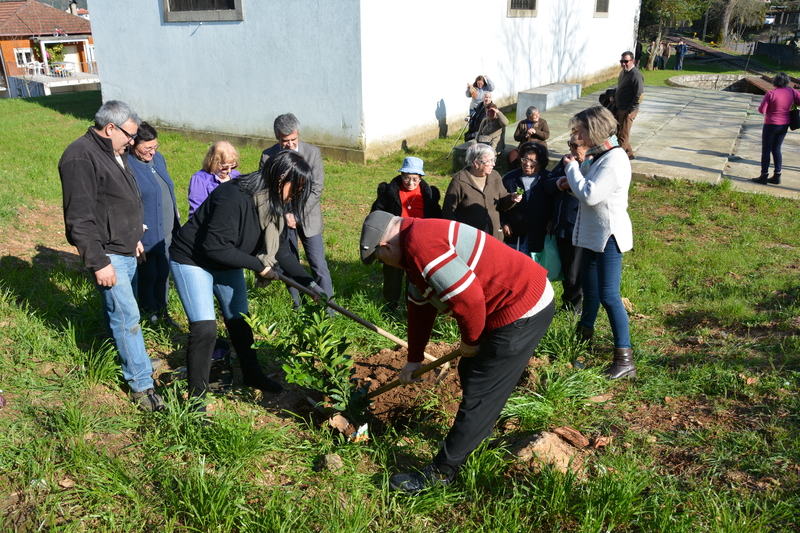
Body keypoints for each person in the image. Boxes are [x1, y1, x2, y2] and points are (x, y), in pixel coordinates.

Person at [359, 211, 555, 493]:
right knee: (468, 370)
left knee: (481, 391)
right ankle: (474, 435)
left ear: (386, 247)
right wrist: (414, 359)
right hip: (503, 302)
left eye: (380, 260)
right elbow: (419, 309)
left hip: (523, 304)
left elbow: (471, 300)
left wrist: (470, 342)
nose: (384, 265)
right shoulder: (413, 251)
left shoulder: (421, 246)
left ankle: (441, 473)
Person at [169, 151, 320, 411]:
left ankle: (252, 374)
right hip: (193, 259)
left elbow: (281, 250)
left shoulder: (274, 201)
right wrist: (259, 266)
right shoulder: (234, 197)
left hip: (227, 260)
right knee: (205, 329)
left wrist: (310, 284)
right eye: (296, 188)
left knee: (239, 318)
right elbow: (214, 246)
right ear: (281, 177)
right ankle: (196, 402)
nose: (295, 195)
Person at [58, 100, 164, 412]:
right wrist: (98, 260)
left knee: (117, 313)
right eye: (129, 135)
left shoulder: (113, 153)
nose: (133, 142)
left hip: (125, 248)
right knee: (127, 316)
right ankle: (141, 384)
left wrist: (133, 238)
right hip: (107, 254)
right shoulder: (80, 157)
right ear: (110, 128)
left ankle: (133, 359)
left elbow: (118, 203)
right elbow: (79, 217)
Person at [555, 106, 635, 380]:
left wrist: (572, 168)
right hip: (592, 236)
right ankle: (584, 339)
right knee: (590, 290)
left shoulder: (614, 159)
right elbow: (584, 184)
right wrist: (569, 180)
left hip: (608, 236)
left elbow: (590, 194)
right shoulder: (599, 156)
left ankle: (624, 360)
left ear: (595, 130)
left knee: (609, 296)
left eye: (579, 130)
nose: (575, 136)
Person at [260, 113, 335, 308]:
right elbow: (265, 190)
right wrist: (283, 215)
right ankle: (298, 306)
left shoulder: (313, 153)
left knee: (318, 264)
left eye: (294, 139)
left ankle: (329, 308)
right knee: (289, 263)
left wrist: (297, 215)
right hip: (281, 218)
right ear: (277, 137)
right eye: (285, 141)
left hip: (308, 217)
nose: (291, 144)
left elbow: (317, 187)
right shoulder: (268, 156)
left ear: (298, 134)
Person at [369, 157, 442, 307]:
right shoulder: (389, 192)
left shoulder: (429, 195)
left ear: (420, 179)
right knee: (392, 275)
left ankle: (413, 306)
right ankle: (390, 305)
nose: (410, 182)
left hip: (418, 241)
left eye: (415, 179)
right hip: (394, 240)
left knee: (416, 276)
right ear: (401, 175)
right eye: (407, 178)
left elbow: (437, 220)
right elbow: (377, 214)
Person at [128, 122, 180, 324]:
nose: (152, 152)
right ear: (132, 143)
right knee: (148, 275)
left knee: (163, 273)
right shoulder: (128, 165)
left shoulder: (158, 159)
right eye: (147, 148)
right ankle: (149, 316)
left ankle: (163, 313)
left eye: (155, 147)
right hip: (146, 234)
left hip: (166, 230)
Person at [442, 143, 520, 241]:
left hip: (493, 237)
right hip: (469, 239)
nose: (493, 164)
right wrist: (457, 236)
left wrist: (511, 198)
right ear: (476, 163)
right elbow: (448, 212)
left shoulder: (494, 176)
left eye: (494, 160)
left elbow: (502, 201)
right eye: (489, 161)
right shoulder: (460, 181)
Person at [545, 135, 586, 313]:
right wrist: (557, 184)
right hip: (560, 224)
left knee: (573, 270)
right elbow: (546, 185)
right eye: (569, 144)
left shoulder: (590, 165)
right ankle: (568, 301)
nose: (571, 149)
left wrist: (574, 183)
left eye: (575, 145)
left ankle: (574, 306)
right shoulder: (565, 161)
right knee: (564, 267)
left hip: (577, 226)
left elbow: (589, 191)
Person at [500, 142, 551, 255]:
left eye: (533, 161)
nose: (527, 164)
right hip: (514, 232)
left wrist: (552, 220)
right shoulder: (510, 178)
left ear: (540, 163)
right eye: (525, 159)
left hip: (540, 233)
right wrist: (504, 222)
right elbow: (499, 202)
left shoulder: (548, 178)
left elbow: (555, 202)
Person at [751, 72, 800, 185]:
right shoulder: (792, 91)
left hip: (771, 125)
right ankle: (777, 176)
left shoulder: (771, 93)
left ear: (775, 81)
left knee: (766, 151)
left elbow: (761, 110)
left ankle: (764, 176)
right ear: (787, 82)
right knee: (777, 149)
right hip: (784, 125)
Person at [187, 141, 241, 218]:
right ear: (213, 162)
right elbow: (197, 212)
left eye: (233, 167)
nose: (229, 171)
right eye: (225, 167)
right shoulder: (200, 179)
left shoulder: (237, 176)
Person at [615, 51, 644, 160]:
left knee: (623, 135)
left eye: (626, 61)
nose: (623, 64)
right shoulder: (623, 73)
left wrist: (630, 111)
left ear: (632, 61)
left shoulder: (635, 75)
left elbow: (639, 95)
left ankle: (619, 159)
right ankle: (629, 154)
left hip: (628, 110)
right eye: (621, 61)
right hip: (619, 107)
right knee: (618, 132)